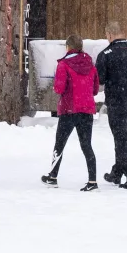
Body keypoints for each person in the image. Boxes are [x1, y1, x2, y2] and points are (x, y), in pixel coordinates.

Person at [43, 34, 98, 190]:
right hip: (86, 110)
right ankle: (92, 181)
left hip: (69, 109)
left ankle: (53, 176)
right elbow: (94, 89)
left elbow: (59, 88)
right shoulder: (90, 64)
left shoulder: (64, 65)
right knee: (87, 145)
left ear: (68, 47)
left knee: (59, 144)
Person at [95, 25, 127, 189]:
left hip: (116, 101)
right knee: (122, 136)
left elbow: (100, 80)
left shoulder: (105, 55)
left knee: (121, 138)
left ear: (109, 35)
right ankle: (117, 172)